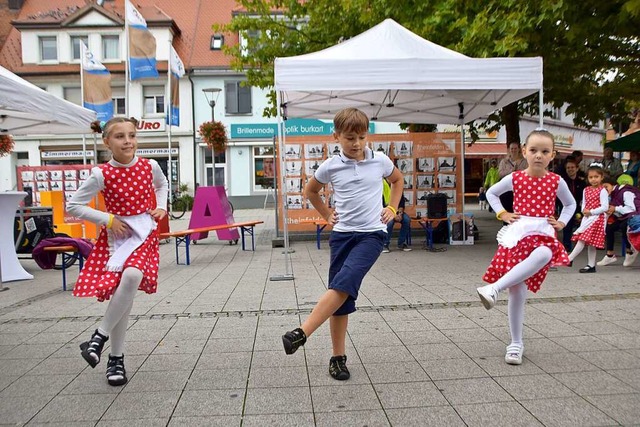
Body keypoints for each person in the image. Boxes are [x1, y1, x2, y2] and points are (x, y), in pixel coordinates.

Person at [281, 108, 403, 380]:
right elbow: (310, 191)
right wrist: (326, 214)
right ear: (336, 136)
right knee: (341, 297)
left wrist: (392, 208)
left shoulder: (380, 160)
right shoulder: (330, 165)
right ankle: (337, 358)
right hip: (342, 236)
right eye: (349, 138)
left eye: (361, 137)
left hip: (372, 234)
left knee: (344, 282)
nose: (356, 144)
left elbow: (397, 180)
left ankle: (301, 333)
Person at [68, 117, 168, 386]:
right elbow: (73, 206)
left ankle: (98, 337)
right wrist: (108, 219)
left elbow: (162, 185)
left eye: (132, 135)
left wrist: (162, 206)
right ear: (107, 142)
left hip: (144, 231)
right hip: (118, 236)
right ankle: (116, 358)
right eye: (120, 136)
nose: (128, 141)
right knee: (123, 294)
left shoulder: (150, 166)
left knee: (133, 276)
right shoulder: (101, 173)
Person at [476, 129, 576, 365]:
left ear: (553, 155)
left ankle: (493, 288)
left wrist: (561, 221)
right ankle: (515, 343)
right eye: (533, 150)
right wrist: (502, 213)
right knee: (518, 291)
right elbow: (492, 193)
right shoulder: (516, 178)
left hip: (543, 232)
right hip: (518, 233)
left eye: (544, 151)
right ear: (524, 151)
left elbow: (570, 204)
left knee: (546, 252)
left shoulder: (556, 181)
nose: (538, 155)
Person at [567, 164, 608, 273]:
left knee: (583, 239)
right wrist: (584, 210)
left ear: (601, 177)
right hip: (587, 218)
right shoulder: (586, 190)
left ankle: (569, 259)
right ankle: (591, 265)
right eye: (591, 177)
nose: (593, 179)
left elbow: (605, 207)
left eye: (596, 177)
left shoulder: (602, 190)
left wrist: (592, 212)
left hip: (597, 219)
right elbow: (584, 203)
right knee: (590, 242)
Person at [596, 175, 640, 267]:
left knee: (624, 226)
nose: (604, 190)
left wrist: (615, 208)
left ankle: (630, 251)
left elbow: (631, 209)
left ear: (612, 184)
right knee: (610, 228)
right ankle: (610, 254)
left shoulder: (625, 192)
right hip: (627, 217)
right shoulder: (613, 194)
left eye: (606, 186)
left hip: (635, 217)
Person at [559, 158, 586, 252]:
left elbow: (584, 197)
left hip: (580, 207)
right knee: (567, 226)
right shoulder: (563, 181)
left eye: (572, 167)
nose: (570, 169)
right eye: (568, 168)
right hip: (566, 207)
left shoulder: (582, 182)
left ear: (577, 168)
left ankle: (583, 244)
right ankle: (566, 245)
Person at [498, 141, 528, 220]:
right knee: (507, 210)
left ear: (519, 149)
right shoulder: (504, 162)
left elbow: (527, 173)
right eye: (512, 149)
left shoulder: (525, 161)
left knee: (519, 212)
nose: (513, 150)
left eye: (515, 148)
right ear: (509, 150)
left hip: (521, 190)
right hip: (506, 190)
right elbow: (500, 174)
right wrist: (512, 171)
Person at [382, 179, 412, 252]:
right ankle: (385, 244)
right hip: (385, 211)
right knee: (389, 221)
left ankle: (401, 243)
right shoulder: (381, 185)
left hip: (397, 211)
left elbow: (402, 202)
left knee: (406, 220)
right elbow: (381, 204)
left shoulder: (397, 185)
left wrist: (400, 213)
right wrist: (393, 214)